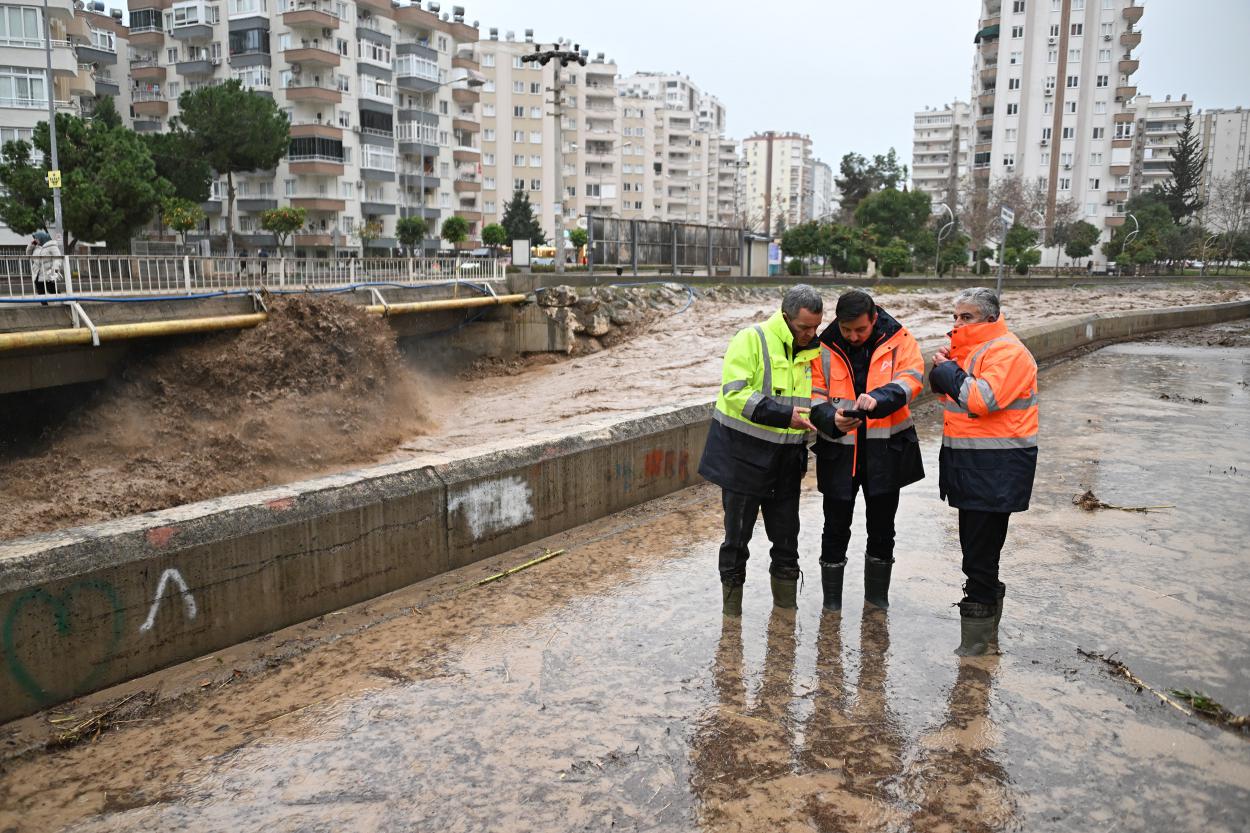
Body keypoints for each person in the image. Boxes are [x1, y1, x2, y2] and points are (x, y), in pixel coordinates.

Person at [699, 284, 823, 616]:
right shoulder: (750, 340)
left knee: (787, 543)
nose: (810, 334)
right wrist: (785, 416)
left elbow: (815, 402)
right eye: (803, 328)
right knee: (736, 542)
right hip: (743, 462)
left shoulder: (812, 353)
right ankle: (732, 616)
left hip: (785, 463)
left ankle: (785, 614)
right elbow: (736, 393)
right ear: (786, 318)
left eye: (816, 327)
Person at [928, 287, 1038, 656]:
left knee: (979, 558)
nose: (958, 324)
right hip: (974, 468)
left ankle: (974, 649)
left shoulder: (1007, 352)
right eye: (955, 317)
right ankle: (983, 640)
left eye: (967, 317)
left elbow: (981, 399)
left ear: (991, 318)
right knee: (978, 555)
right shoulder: (974, 352)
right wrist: (944, 372)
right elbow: (952, 399)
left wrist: (948, 370)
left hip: (995, 470)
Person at [808, 290, 925, 611]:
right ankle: (831, 604)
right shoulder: (823, 347)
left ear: (874, 318)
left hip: (885, 452)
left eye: (860, 329)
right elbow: (813, 397)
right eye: (847, 330)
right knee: (834, 529)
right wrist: (832, 419)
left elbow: (912, 378)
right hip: (839, 453)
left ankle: (877, 600)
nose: (853, 336)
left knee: (883, 528)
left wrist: (880, 399)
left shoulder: (900, 338)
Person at [26, 231, 63, 304]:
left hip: (48, 272)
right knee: (40, 290)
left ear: (41, 238)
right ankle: (44, 306)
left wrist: (55, 268)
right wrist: (32, 244)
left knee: (51, 289)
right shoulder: (36, 247)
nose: (36, 240)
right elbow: (28, 253)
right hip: (37, 272)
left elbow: (58, 258)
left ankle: (63, 300)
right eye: (35, 239)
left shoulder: (52, 246)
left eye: (37, 238)